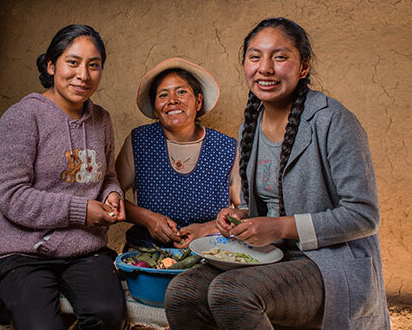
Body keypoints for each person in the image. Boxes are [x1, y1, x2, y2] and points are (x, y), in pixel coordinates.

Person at [165, 17, 390, 329]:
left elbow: (364, 215)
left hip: (329, 265)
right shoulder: (250, 126)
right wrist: (240, 217)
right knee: (182, 292)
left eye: (280, 57)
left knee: (231, 292)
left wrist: (280, 227)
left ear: (304, 67)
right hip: (269, 256)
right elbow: (260, 204)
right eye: (255, 57)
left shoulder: (333, 122)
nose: (265, 68)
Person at [0, 24, 126, 330]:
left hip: (85, 250)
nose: (83, 75)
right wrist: (80, 210)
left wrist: (111, 195)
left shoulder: (101, 119)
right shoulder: (23, 117)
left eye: (94, 65)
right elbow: (11, 197)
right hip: (24, 252)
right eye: (72, 62)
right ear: (51, 66)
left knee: (107, 314)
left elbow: (108, 176)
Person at [115, 57, 240, 250]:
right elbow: (111, 196)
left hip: (210, 251)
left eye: (181, 92)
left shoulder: (226, 147)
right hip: (148, 252)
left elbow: (245, 210)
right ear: (155, 109)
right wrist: (149, 219)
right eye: (163, 95)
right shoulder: (139, 141)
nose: (172, 100)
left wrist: (207, 228)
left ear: (198, 102)